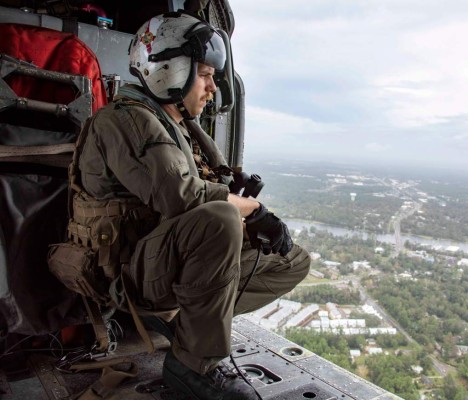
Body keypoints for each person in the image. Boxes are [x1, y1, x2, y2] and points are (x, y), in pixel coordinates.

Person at [74, 11, 310, 399]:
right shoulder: (126, 120)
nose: (213, 87)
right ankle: (192, 366)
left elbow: (203, 194)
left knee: (292, 261)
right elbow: (179, 196)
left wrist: (251, 221)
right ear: (168, 71)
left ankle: (190, 324)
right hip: (128, 271)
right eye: (204, 74)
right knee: (220, 218)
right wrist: (250, 211)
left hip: (165, 263)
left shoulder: (180, 127)